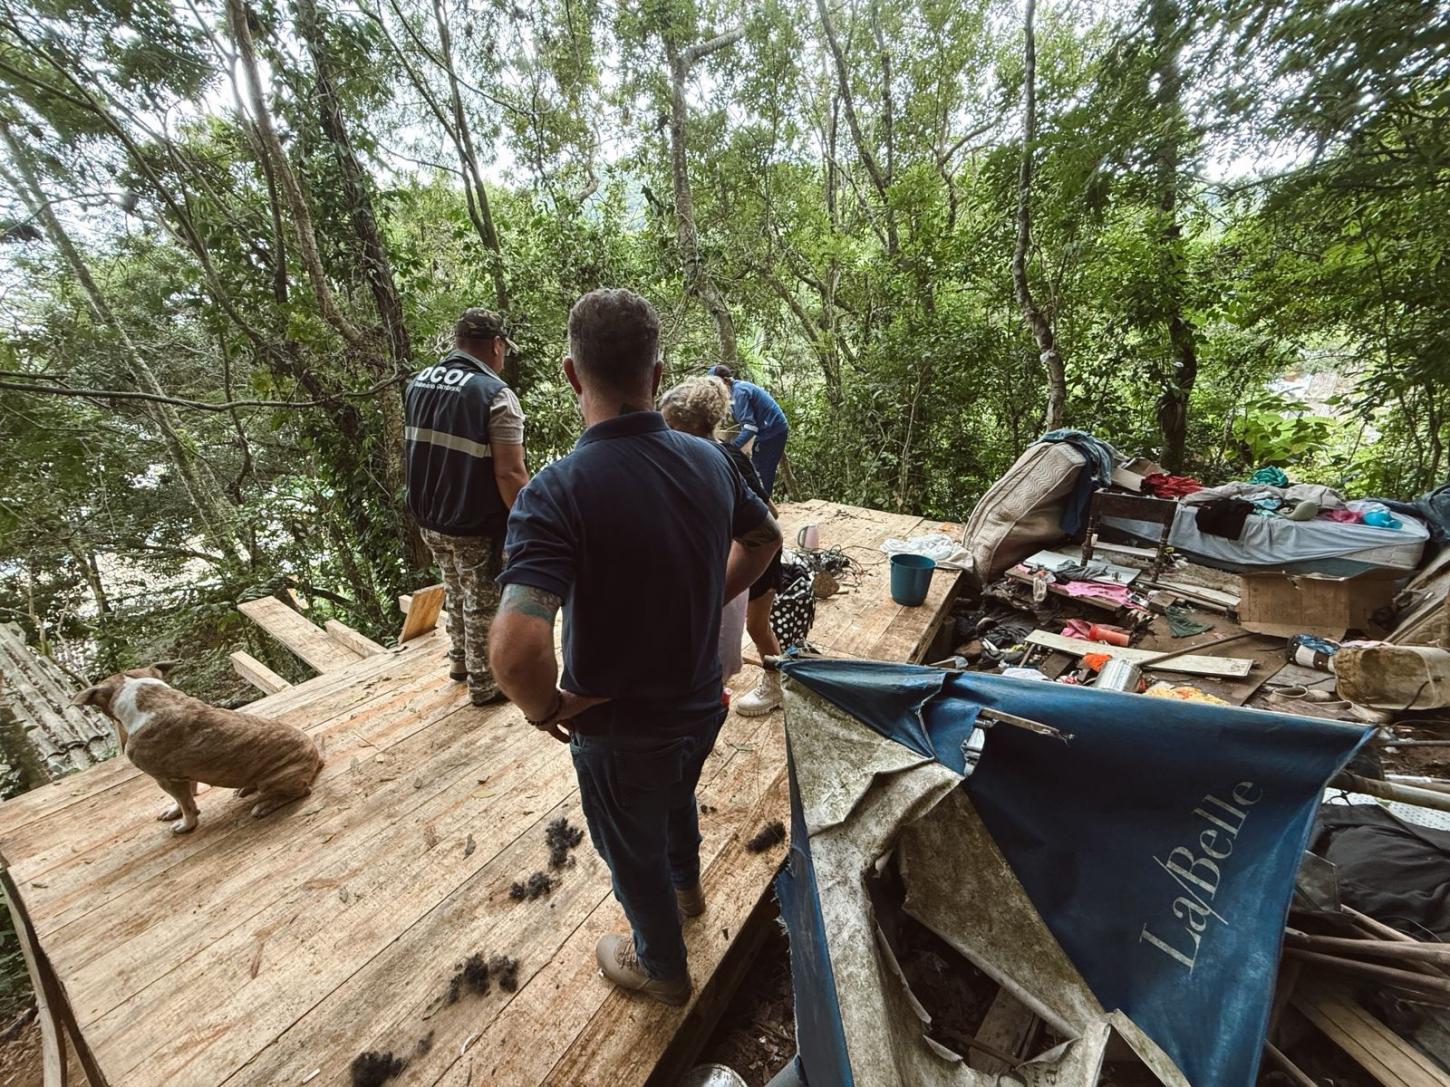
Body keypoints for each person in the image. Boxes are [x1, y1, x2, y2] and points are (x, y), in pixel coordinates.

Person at [489, 289, 782, 1006]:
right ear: (656, 377)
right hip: (699, 701)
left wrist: (544, 707)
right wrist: (711, 593)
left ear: (569, 374)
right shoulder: (713, 463)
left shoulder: (556, 491)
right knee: (676, 791)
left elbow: (516, 651)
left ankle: (662, 965)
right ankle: (689, 892)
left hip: (618, 726)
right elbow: (766, 538)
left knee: (630, 849)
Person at [404, 308, 529, 706]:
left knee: (456, 590)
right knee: (483, 599)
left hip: (429, 514)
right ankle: (485, 682)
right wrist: (529, 520)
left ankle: (459, 661)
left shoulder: (418, 383)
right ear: (496, 346)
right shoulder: (495, 395)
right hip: (473, 518)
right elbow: (510, 472)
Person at [659, 376, 785, 716]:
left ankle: (777, 685)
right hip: (738, 549)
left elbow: (767, 518)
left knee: (756, 625)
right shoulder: (709, 457)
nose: (662, 434)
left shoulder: (721, 460)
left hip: (753, 553)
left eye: (667, 425)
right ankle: (715, 689)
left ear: (688, 424)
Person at [708, 364, 789, 497]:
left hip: (772, 431)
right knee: (756, 467)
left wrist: (731, 449)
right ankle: (763, 503)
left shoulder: (739, 392)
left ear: (726, 381)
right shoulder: (735, 390)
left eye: (716, 385)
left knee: (761, 470)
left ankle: (764, 505)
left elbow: (750, 427)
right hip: (768, 429)